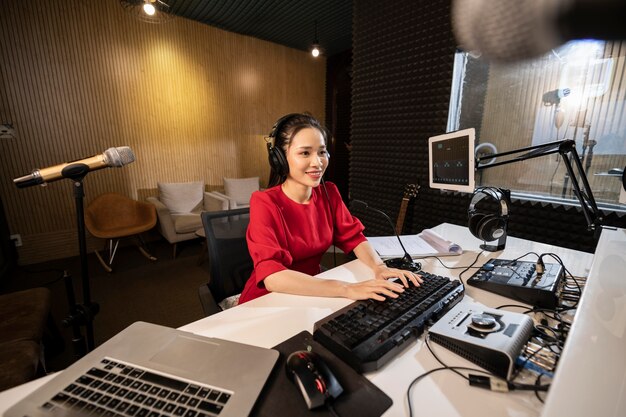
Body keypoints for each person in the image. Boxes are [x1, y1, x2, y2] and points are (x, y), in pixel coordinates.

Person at [238, 113, 422, 304]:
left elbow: (353, 237)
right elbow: (272, 276)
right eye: (305, 153)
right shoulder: (264, 202)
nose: (317, 162)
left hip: (314, 292)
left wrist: (379, 267)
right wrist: (346, 289)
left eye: (322, 152)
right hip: (268, 300)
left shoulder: (330, 193)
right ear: (280, 158)